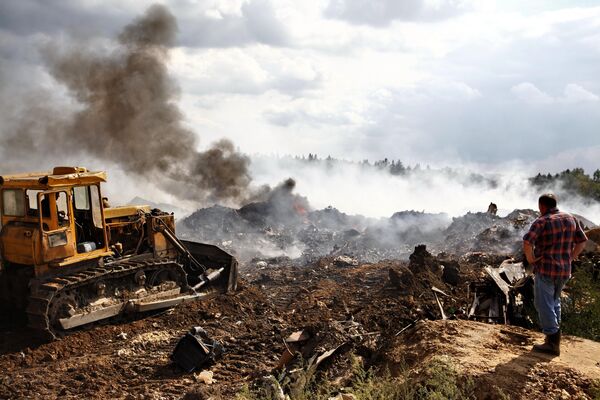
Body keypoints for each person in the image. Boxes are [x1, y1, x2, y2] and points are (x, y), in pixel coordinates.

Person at [523, 193, 587, 356]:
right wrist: (571, 257)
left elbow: (527, 241)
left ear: (542, 206)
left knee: (543, 304)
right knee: (554, 302)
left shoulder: (542, 221)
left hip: (546, 269)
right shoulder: (570, 218)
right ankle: (553, 339)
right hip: (564, 270)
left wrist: (531, 259)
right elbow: (582, 241)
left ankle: (552, 342)